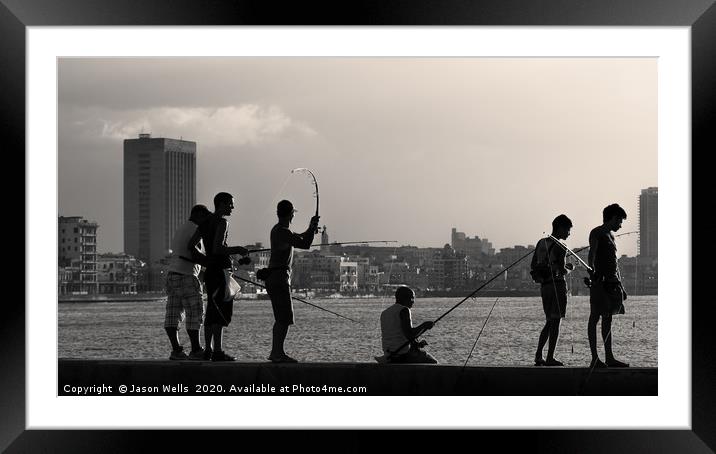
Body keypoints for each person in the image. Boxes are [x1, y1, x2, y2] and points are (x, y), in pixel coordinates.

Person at [264, 200, 320, 363]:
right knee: (284, 317)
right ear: (291, 214)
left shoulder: (279, 230)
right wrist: (311, 228)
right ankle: (277, 353)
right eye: (293, 213)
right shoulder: (282, 231)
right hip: (279, 277)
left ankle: (276, 352)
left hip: (276, 277)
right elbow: (305, 243)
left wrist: (310, 228)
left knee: (282, 317)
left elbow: (299, 236)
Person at [198, 192, 249, 362]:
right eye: (230, 204)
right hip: (220, 271)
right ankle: (218, 352)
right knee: (220, 310)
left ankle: (208, 350)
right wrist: (239, 250)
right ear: (221, 204)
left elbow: (192, 245)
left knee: (212, 310)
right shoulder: (222, 222)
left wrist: (205, 260)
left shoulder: (205, 223)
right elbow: (218, 248)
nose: (232, 207)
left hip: (210, 271)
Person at [164, 204, 212, 360]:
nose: (206, 221)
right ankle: (196, 350)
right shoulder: (194, 229)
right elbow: (194, 252)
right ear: (198, 215)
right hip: (187, 275)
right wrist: (211, 263)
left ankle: (176, 351)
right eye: (205, 217)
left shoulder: (181, 228)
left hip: (172, 275)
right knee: (195, 312)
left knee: (173, 313)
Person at [586, 203, 630, 368]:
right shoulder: (597, 233)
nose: (620, 224)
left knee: (608, 318)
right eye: (619, 221)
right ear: (612, 218)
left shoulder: (612, 235)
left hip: (613, 283)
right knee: (594, 318)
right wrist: (593, 273)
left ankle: (609, 357)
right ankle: (595, 358)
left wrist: (622, 287)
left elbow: (615, 264)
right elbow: (592, 254)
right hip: (600, 283)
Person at [531, 214, 574, 367]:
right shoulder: (562, 246)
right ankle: (550, 357)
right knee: (556, 322)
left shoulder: (541, 243)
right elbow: (561, 270)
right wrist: (570, 269)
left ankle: (538, 356)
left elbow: (533, 265)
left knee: (549, 321)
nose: (569, 233)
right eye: (568, 230)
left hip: (545, 287)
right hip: (557, 286)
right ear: (561, 228)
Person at [377, 286, 437, 364]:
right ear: (403, 298)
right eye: (412, 298)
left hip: (389, 354)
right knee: (433, 362)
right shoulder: (404, 310)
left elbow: (398, 336)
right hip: (403, 355)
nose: (413, 301)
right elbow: (409, 334)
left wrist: (417, 344)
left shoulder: (385, 313)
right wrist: (424, 325)